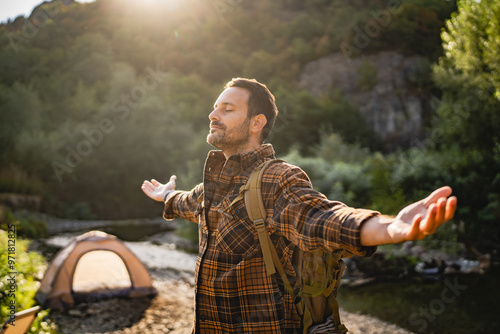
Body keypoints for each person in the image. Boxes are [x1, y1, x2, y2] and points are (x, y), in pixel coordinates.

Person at [141, 78, 457, 333]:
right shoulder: (213, 185)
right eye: (214, 108)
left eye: (227, 109)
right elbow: (189, 203)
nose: (213, 115)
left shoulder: (277, 179)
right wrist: (166, 196)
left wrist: (390, 228)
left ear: (256, 123)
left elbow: (321, 218)